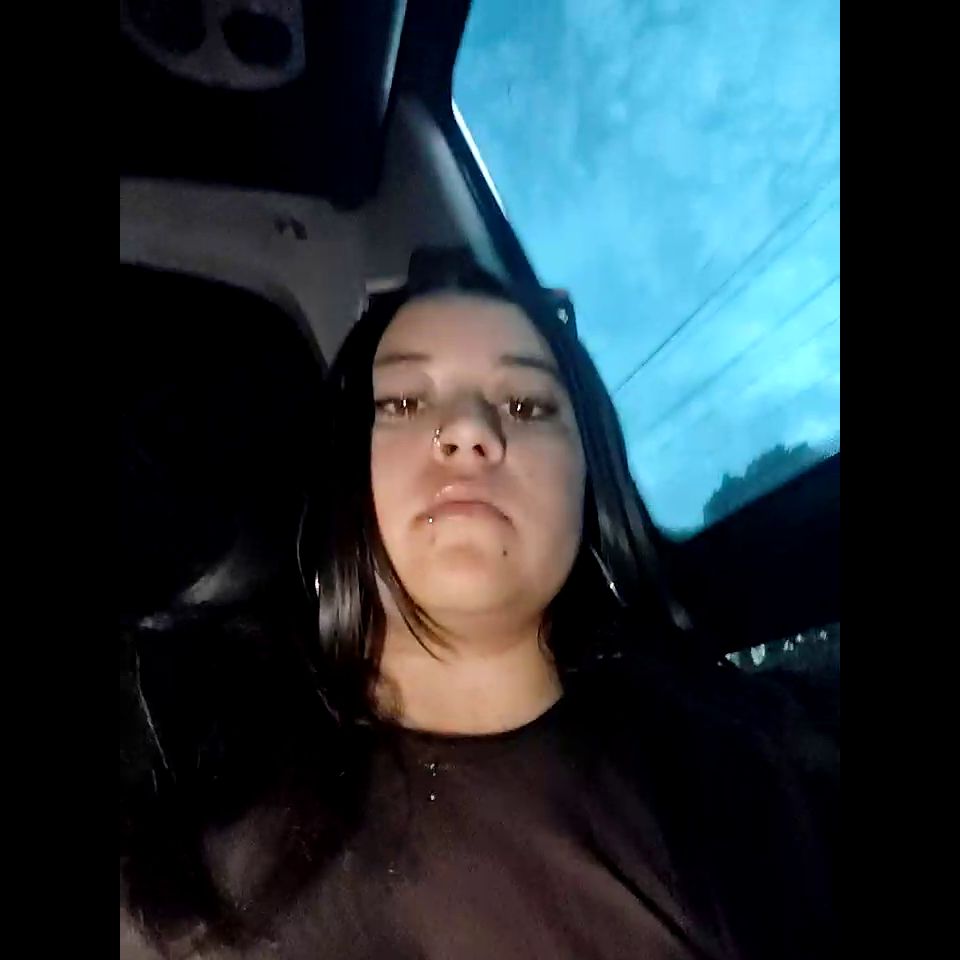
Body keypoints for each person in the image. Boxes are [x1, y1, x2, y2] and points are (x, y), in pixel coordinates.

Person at [120, 248, 837, 960]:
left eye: (526, 405)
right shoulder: (184, 900)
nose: (468, 432)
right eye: (403, 402)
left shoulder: (765, 766)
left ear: (588, 480)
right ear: (342, 474)